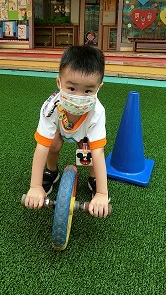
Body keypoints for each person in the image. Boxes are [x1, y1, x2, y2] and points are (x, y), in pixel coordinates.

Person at [24, 45, 110, 218]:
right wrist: (35, 186)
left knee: (89, 153)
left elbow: (98, 151)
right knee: (52, 145)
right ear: (59, 83)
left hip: (84, 136)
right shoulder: (50, 107)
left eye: (88, 90)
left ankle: (93, 178)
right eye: (71, 88)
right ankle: (51, 171)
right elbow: (42, 146)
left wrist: (102, 193)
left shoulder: (97, 112)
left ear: (99, 88)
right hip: (60, 130)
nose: (79, 97)